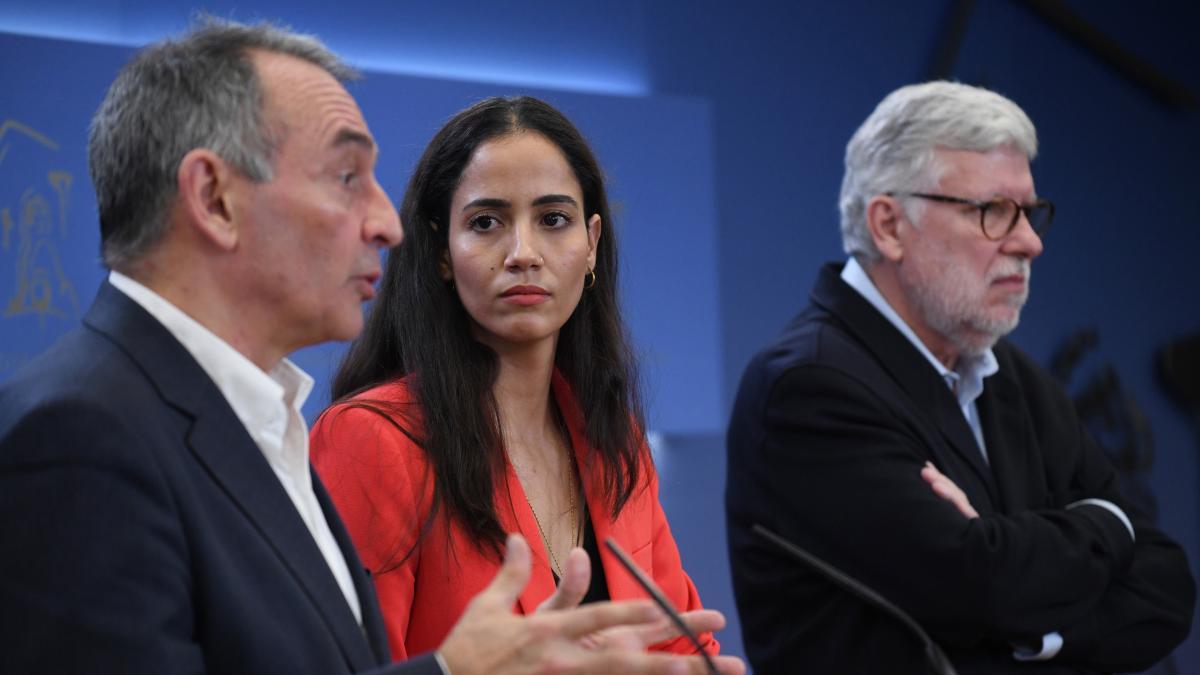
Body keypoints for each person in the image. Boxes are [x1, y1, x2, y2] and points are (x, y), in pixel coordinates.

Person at [0, 19, 740, 675]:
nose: (384, 222)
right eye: (347, 176)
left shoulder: (262, 421)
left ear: (592, 243)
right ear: (216, 199)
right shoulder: (79, 435)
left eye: (554, 219)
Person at [725, 81, 1195, 674]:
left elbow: (1166, 585)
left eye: (1030, 213)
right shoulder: (809, 386)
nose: (1029, 243)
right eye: (993, 212)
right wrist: (1108, 522)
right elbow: (982, 584)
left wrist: (1035, 622)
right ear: (889, 226)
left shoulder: (1009, 374)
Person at [311, 96, 727, 667]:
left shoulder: (616, 439)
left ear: (592, 245)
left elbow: (679, 644)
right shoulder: (372, 440)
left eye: (553, 220)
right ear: (440, 252)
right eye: (486, 223)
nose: (523, 254)